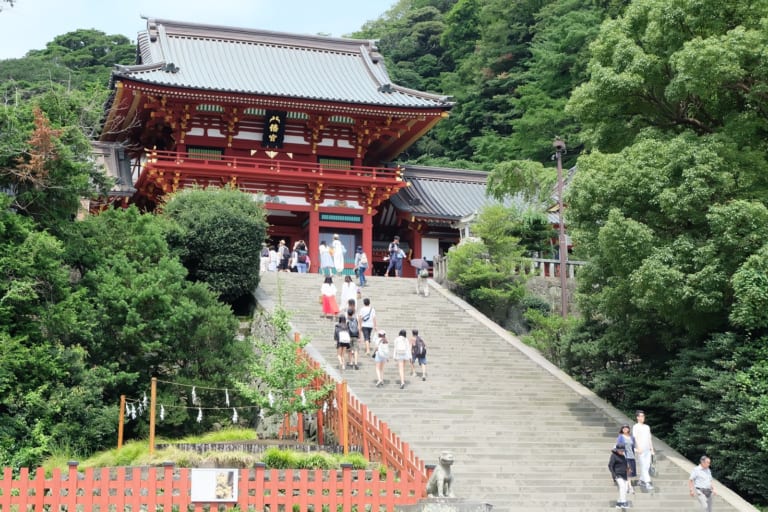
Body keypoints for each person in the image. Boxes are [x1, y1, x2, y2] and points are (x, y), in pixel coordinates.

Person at [632, 410, 655, 490]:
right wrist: (638, 447)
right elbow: (635, 438)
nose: (642, 418)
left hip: (647, 449)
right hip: (640, 449)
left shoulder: (647, 427)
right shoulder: (636, 426)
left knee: (647, 465)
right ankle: (647, 482)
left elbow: (649, 438)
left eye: (643, 416)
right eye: (641, 416)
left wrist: (652, 449)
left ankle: (641, 480)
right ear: (637, 417)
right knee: (643, 465)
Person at [608, 444, 630, 509]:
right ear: (617, 450)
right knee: (622, 486)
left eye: (623, 450)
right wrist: (614, 474)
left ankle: (619, 502)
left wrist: (628, 470)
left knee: (625, 488)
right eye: (620, 450)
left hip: (624, 474)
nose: (621, 451)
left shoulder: (623, 456)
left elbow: (625, 465)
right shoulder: (613, 456)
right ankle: (623, 502)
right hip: (617, 474)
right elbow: (610, 465)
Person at [616, 425, 636, 494]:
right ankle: (629, 487)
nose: (625, 429)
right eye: (623, 428)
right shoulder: (620, 437)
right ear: (622, 429)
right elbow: (618, 447)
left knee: (629, 473)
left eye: (626, 428)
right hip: (625, 457)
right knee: (628, 472)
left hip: (632, 456)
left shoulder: (632, 437)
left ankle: (627, 486)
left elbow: (633, 447)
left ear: (628, 429)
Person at [345, 304, 361, 370]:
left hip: (349, 336)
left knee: (349, 350)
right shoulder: (356, 319)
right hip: (355, 336)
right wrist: (360, 335)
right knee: (356, 350)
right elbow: (359, 327)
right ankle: (356, 363)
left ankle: (351, 362)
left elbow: (345, 329)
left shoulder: (346, 320)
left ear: (348, 314)